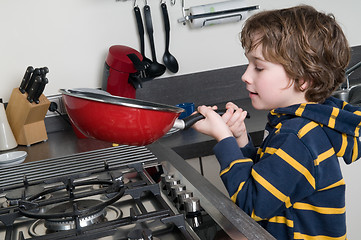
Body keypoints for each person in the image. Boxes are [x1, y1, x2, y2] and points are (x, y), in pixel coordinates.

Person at [192, 5, 361, 240]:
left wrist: (224, 138)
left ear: (302, 80)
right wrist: (240, 138)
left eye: (258, 67)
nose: (245, 75)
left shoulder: (299, 137)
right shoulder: (297, 122)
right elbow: (268, 180)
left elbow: (252, 203)